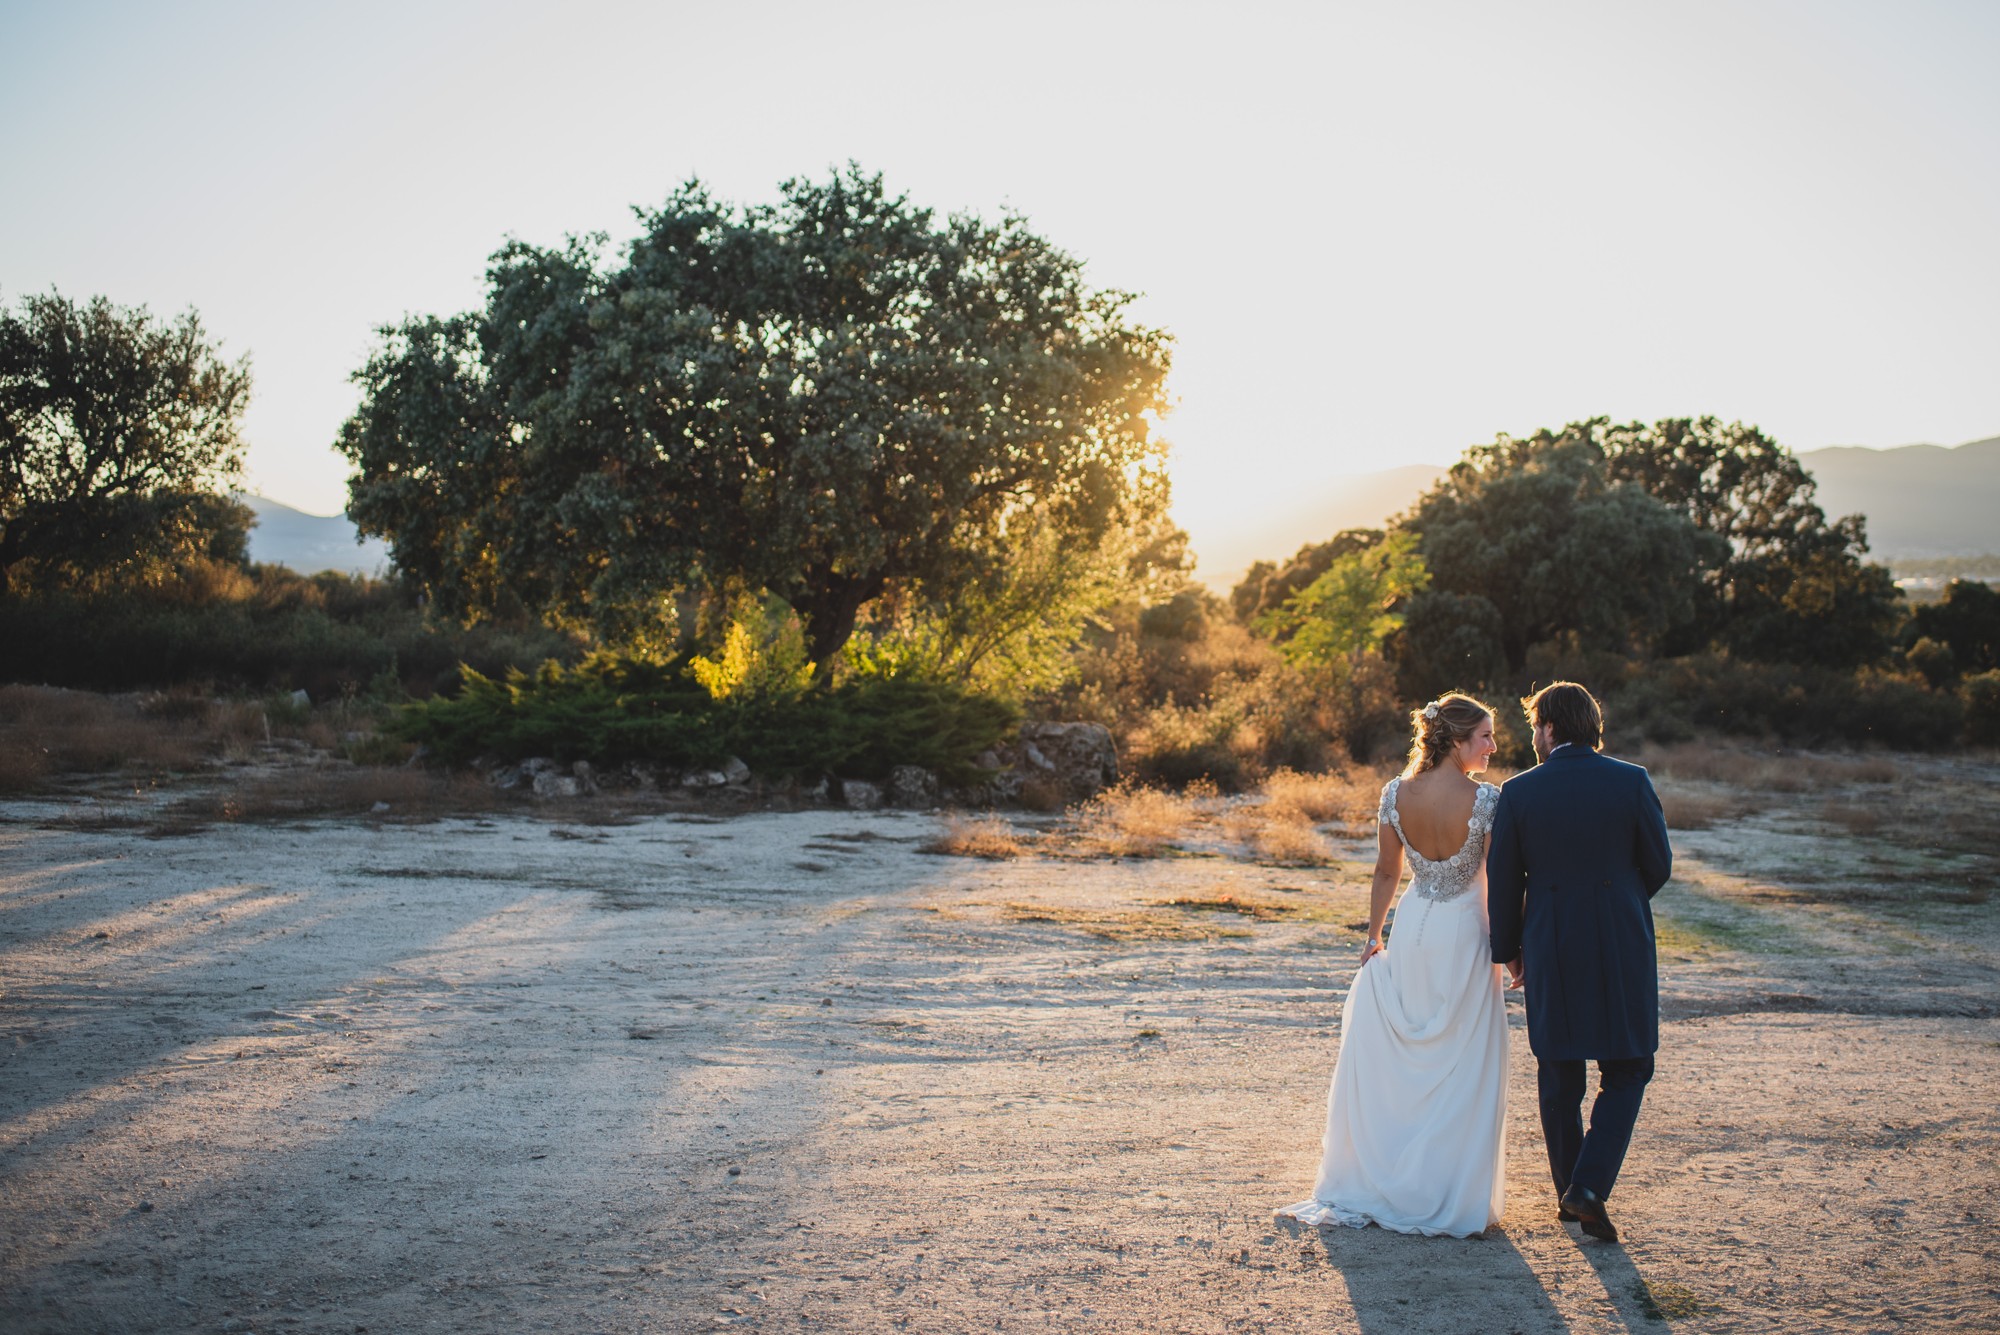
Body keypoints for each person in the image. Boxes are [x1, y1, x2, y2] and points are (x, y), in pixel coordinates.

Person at [1278, 694, 1509, 1238]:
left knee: (1413, 1053)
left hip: (1412, 925)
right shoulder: (1487, 800)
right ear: (1456, 741)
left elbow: (1387, 872)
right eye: (1485, 737)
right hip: (1465, 933)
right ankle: (1441, 1188)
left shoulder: (1394, 793)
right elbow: (1498, 885)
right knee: (1459, 1058)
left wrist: (1373, 934)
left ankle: (1395, 1172)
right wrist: (1511, 946)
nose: (1493, 747)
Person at [1487, 681, 1672, 1244]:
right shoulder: (1632, 780)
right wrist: (1619, 900)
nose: (1533, 737)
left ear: (1549, 728)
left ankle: (1573, 1191)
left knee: (1560, 1071)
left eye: (1535, 727)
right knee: (1630, 1065)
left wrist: (1508, 950)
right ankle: (1587, 1190)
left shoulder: (1518, 792)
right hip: (1621, 938)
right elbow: (1658, 864)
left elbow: (1503, 882)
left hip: (1552, 939)